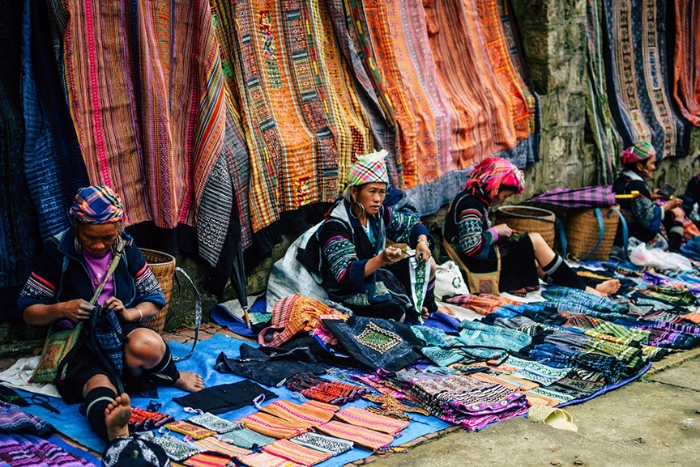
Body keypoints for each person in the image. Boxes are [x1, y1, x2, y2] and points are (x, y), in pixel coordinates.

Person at [17, 186, 204, 444]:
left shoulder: (126, 247)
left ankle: (174, 375)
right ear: (75, 225)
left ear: (118, 227)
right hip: (78, 341)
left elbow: (155, 299)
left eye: (107, 237)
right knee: (96, 384)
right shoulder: (57, 250)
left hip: (118, 330)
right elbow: (28, 310)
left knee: (148, 343)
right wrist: (61, 309)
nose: (98, 245)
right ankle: (111, 426)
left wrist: (129, 313)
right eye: (89, 237)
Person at [443, 157, 620, 296]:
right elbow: (471, 247)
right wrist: (496, 232)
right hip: (479, 268)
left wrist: (500, 235)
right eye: (505, 195)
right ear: (495, 186)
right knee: (534, 241)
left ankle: (587, 285)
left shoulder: (474, 200)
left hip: (485, 260)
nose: (503, 200)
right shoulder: (471, 205)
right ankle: (587, 289)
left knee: (533, 258)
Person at [300, 150, 438, 322]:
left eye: (382, 192)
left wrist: (422, 242)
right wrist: (382, 259)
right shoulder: (335, 226)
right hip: (347, 290)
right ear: (354, 193)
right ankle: (411, 311)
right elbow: (345, 274)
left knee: (429, 265)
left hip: (376, 271)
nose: (378, 199)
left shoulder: (379, 213)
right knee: (396, 311)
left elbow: (411, 225)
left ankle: (424, 308)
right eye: (372, 191)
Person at [612, 141, 685, 251]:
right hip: (633, 236)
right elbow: (648, 218)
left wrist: (651, 195)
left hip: (623, 230)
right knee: (677, 213)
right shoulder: (636, 184)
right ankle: (674, 252)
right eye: (652, 163)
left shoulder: (623, 178)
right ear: (640, 166)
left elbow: (632, 202)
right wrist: (669, 205)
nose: (654, 167)